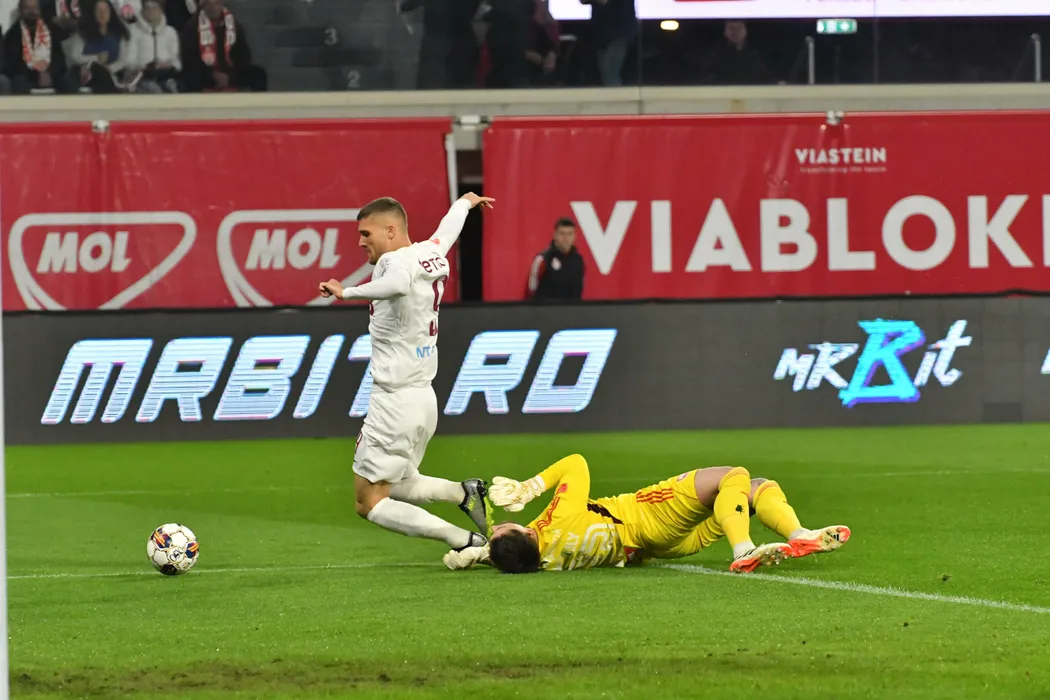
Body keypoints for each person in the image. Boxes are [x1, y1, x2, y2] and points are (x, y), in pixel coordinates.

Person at [317, 193, 497, 555]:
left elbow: (398, 284)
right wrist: (464, 204)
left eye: (366, 233)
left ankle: (464, 541)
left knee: (368, 501)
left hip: (395, 402)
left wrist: (345, 292)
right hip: (423, 399)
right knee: (396, 483)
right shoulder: (428, 252)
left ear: (390, 230)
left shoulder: (394, 261)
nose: (360, 242)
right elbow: (447, 232)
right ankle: (463, 493)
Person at [444, 454, 850, 573]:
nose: (500, 526)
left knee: (756, 488)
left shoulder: (541, 561)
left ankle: (799, 533)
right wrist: (532, 486)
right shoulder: (556, 520)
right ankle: (744, 548)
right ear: (528, 534)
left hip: (661, 548)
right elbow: (577, 464)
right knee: (735, 476)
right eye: (503, 530)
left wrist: (477, 554)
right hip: (649, 515)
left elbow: (511, 555)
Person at [179, 0, 265, 92]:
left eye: (216, 3)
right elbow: (189, 59)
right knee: (191, 75)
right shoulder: (192, 27)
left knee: (258, 74)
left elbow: (244, 56)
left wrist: (229, 76)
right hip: (206, 75)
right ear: (203, 6)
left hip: (230, 74)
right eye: (209, 4)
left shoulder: (234, 25)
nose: (213, 8)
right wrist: (212, 74)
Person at [2, 0, 73, 93]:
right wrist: (37, 75)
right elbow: (13, 65)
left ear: (39, 10)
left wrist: (48, 72)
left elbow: (59, 57)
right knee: (18, 82)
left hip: (51, 74)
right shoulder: (13, 34)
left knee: (67, 82)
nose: (31, 11)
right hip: (26, 76)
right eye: (27, 8)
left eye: (34, 8)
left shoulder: (52, 29)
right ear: (21, 11)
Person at [68, 0, 132, 93]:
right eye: (99, 11)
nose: (102, 14)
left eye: (105, 11)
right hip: (86, 74)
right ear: (93, 13)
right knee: (97, 71)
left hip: (112, 74)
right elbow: (75, 56)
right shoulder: (83, 33)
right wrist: (96, 57)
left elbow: (123, 60)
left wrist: (109, 69)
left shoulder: (119, 33)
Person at [527, 217, 584, 301]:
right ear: (555, 235)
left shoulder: (578, 260)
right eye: (562, 233)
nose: (566, 238)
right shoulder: (542, 259)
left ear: (575, 236)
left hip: (572, 308)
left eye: (570, 234)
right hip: (546, 308)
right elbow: (532, 289)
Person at [128, 0, 180, 92]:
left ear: (161, 10)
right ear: (142, 10)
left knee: (174, 86)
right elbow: (129, 61)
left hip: (166, 75)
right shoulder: (132, 31)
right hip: (141, 78)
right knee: (153, 89)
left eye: (155, 8)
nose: (151, 12)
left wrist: (167, 65)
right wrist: (146, 67)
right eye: (148, 8)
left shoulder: (171, 32)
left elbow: (177, 62)